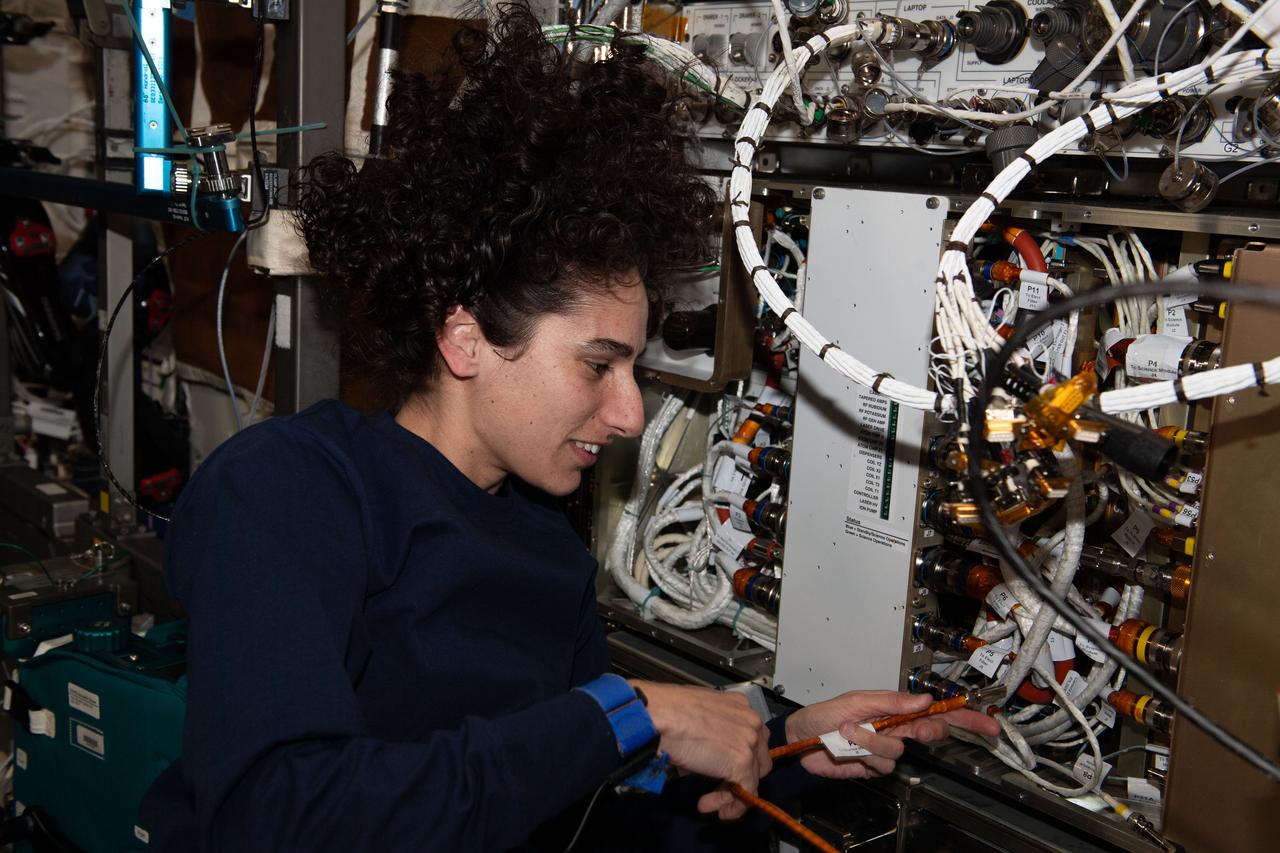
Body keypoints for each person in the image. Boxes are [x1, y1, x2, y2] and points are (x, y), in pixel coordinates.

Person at [140, 5, 998, 850]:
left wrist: (789, 742)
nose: (629, 414)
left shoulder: (542, 545)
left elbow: (586, 789)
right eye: (598, 365)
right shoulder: (289, 489)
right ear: (465, 336)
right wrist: (627, 713)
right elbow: (281, 816)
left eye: (632, 368)